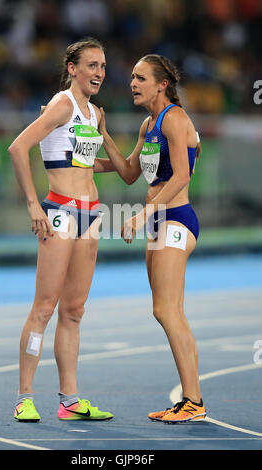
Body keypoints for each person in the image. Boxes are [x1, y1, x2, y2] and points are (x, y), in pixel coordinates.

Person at [8, 38, 115, 422]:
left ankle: (69, 401)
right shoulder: (63, 104)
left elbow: (82, 164)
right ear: (72, 68)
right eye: (91, 65)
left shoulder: (89, 112)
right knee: (45, 307)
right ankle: (24, 396)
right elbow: (18, 147)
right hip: (61, 212)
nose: (99, 72)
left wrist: (121, 156)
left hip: (90, 214)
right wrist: (33, 203)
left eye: (102, 66)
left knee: (73, 311)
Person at [98, 54, 206, 424]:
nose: (132, 83)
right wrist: (100, 139)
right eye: (131, 77)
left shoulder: (175, 118)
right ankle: (192, 400)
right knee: (169, 311)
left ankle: (193, 401)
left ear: (162, 84)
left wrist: (144, 213)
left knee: (166, 310)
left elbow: (180, 178)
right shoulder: (149, 125)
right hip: (159, 223)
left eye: (140, 78)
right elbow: (129, 172)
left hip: (175, 220)